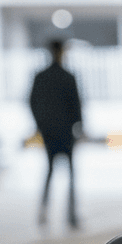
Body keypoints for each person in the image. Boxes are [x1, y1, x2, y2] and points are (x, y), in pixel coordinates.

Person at [29, 39, 82, 227]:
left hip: (50, 132)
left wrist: (40, 125)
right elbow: (76, 105)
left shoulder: (41, 77)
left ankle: (44, 212)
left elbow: (33, 103)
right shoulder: (67, 77)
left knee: (50, 171)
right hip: (65, 132)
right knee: (70, 173)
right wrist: (79, 126)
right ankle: (71, 215)